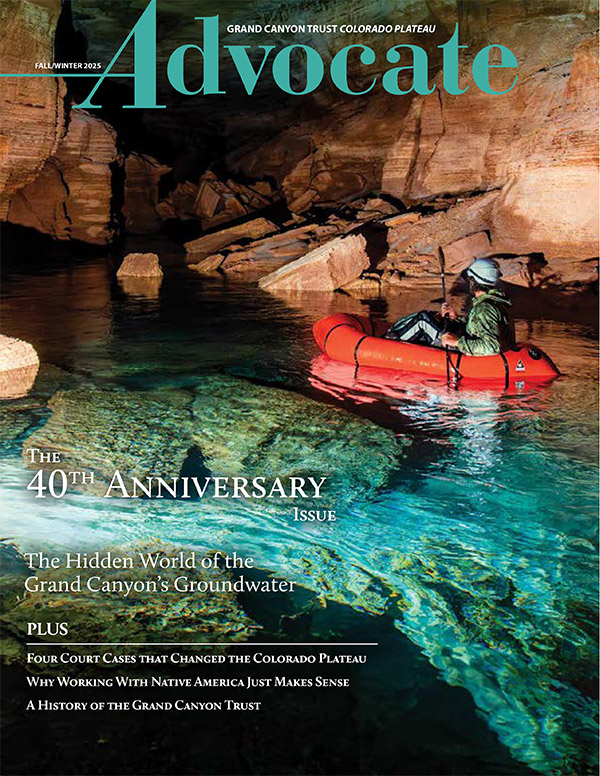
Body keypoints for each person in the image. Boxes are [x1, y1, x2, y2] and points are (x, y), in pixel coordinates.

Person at [384, 258, 515, 356]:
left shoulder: (484, 308)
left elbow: (492, 346)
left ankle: (387, 345)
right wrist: (457, 318)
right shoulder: (496, 302)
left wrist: (457, 342)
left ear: (474, 281)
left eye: (469, 280)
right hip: (469, 346)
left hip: (467, 354)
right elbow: (481, 327)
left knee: (422, 320)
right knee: (430, 318)